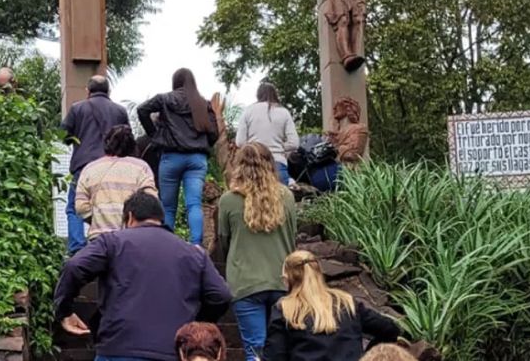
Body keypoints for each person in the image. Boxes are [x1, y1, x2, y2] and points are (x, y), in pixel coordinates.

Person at [54, 191, 233, 361]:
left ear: (130, 217)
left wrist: (64, 311)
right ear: (161, 219)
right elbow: (221, 295)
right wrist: (194, 325)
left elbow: (74, 266)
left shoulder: (112, 242)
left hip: (118, 347)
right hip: (172, 349)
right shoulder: (194, 254)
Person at [218, 144, 298, 361]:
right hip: (281, 280)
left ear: (239, 166)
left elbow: (223, 242)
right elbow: (293, 238)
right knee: (282, 348)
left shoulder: (228, 200)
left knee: (255, 349)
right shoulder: (287, 197)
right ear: (270, 164)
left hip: (245, 283)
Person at [263, 251, 401, 361]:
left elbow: (274, 356)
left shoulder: (285, 310)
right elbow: (390, 329)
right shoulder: (346, 302)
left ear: (287, 280)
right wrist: (368, 355)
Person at [137, 68, 219, 245]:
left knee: (168, 207)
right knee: (194, 204)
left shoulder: (164, 99)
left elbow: (142, 110)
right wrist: (202, 144)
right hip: (197, 158)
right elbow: (214, 133)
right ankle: (196, 245)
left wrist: (155, 135)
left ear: (175, 82)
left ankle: (166, 245)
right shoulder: (203, 104)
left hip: (171, 156)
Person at [61, 75, 130, 254]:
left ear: (88, 91)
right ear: (109, 91)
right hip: (113, 165)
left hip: (83, 165)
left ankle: (77, 248)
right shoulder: (120, 111)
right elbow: (127, 138)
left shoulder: (77, 108)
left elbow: (63, 136)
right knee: (114, 204)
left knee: (75, 207)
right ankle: (114, 244)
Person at [76, 125, 158, 240]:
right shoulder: (141, 167)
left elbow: (80, 206)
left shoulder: (90, 168)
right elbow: (150, 201)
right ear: (132, 145)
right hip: (132, 237)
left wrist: (96, 219)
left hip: (100, 238)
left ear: (107, 143)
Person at [235, 83, 301, 184]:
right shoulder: (284, 112)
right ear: (275, 94)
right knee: (282, 193)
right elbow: (294, 143)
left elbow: (240, 142)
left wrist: (254, 147)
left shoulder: (248, 112)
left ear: (258, 95)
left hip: (253, 165)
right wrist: (279, 146)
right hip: (277, 164)